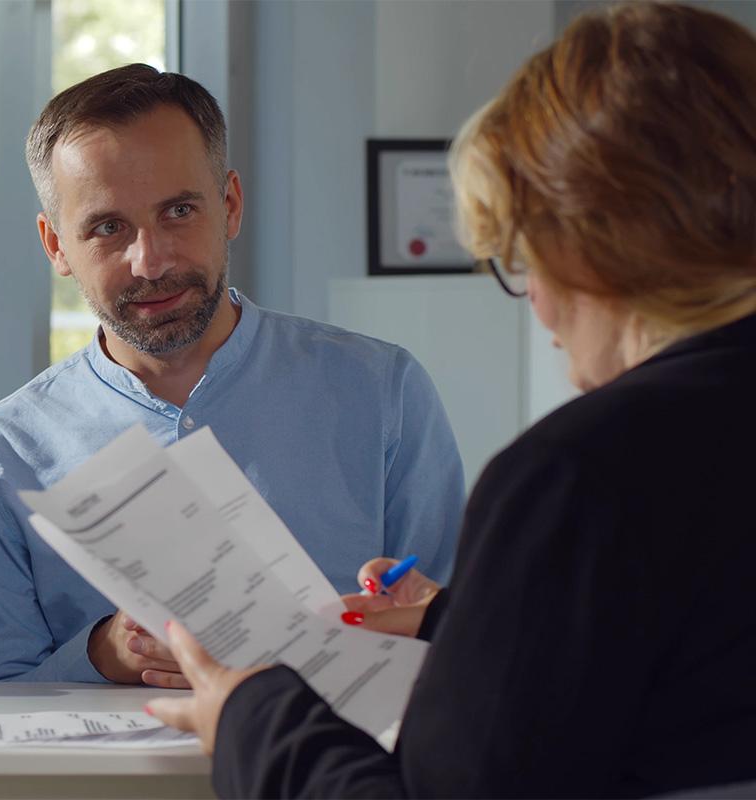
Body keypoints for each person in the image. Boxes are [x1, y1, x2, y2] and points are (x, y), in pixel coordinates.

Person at [148, 3, 756, 796]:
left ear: (586, 241)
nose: (534, 303)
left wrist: (250, 715)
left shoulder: (577, 477)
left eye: (520, 259)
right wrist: (467, 624)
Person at [0, 64, 465, 686]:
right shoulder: (2, 451)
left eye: (179, 211)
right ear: (56, 245)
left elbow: (470, 642)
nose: (150, 260)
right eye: (109, 228)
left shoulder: (383, 393)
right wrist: (103, 655)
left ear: (230, 206)